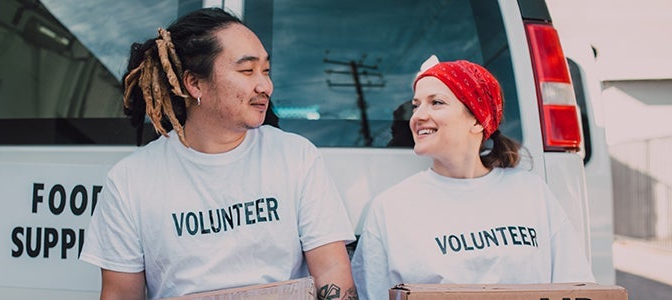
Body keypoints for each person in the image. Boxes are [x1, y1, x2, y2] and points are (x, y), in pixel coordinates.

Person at [79, 8, 357, 300]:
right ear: (195, 83)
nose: (265, 86)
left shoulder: (296, 157)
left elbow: (332, 273)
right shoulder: (130, 180)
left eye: (266, 71)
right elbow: (121, 294)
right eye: (247, 70)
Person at [351, 57, 595, 300]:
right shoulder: (390, 208)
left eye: (436, 102)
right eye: (416, 106)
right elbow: (371, 293)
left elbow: (576, 285)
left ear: (478, 120)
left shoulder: (531, 193)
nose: (418, 116)